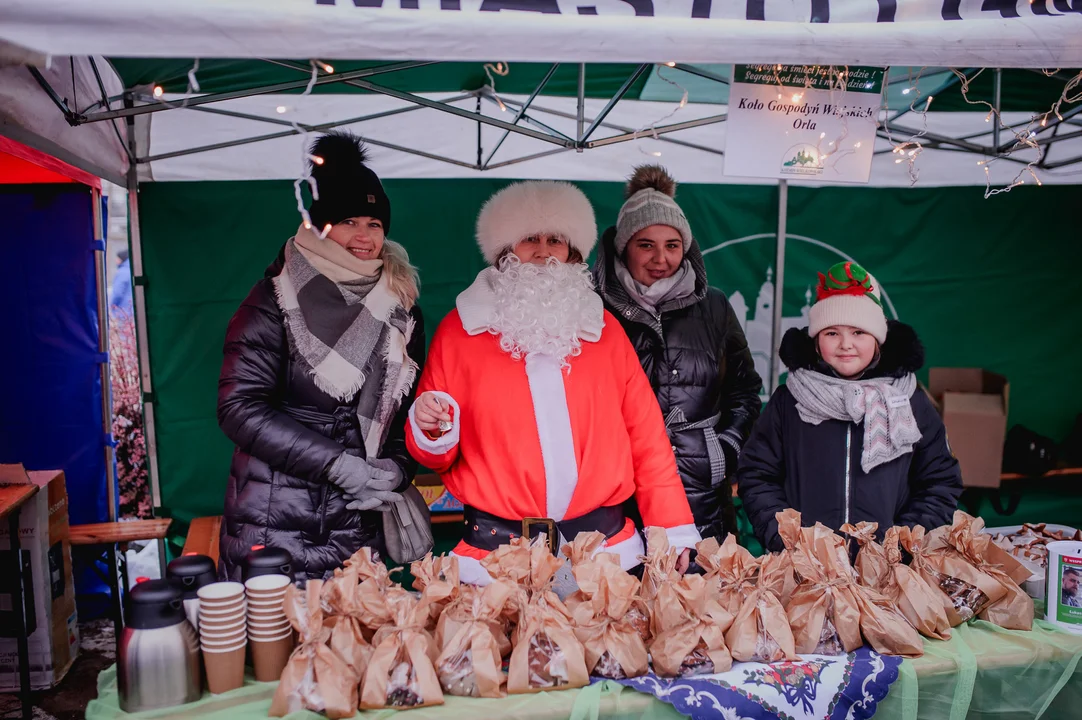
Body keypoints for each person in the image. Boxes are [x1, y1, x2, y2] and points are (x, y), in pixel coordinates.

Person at [405, 180, 700, 585]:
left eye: (556, 241)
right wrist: (431, 427)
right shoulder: (460, 332)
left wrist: (672, 527)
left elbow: (647, 440)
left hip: (603, 559)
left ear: (573, 253)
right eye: (530, 239)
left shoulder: (604, 331)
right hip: (495, 562)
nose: (543, 252)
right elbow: (435, 455)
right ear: (506, 250)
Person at [216, 132, 424, 580]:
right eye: (349, 221)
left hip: (358, 520)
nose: (364, 237)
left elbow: (407, 412)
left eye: (374, 223)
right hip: (276, 519)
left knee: (354, 643)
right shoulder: (275, 299)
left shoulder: (401, 305)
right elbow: (239, 408)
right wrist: (335, 463)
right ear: (320, 225)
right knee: (281, 646)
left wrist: (398, 468)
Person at [737, 261, 962, 552]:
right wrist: (787, 538)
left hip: (888, 571)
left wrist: (903, 545)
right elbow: (757, 475)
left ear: (878, 339)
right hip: (806, 569)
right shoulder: (789, 400)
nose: (846, 344)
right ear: (816, 342)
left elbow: (940, 481)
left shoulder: (908, 399)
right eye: (832, 333)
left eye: (859, 332)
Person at [593, 166, 762, 547]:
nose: (661, 258)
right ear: (623, 246)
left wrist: (725, 448)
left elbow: (745, 389)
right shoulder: (593, 309)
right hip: (617, 492)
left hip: (702, 495)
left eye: (672, 245)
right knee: (621, 600)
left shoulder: (715, 306)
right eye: (646, 244)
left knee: (702, 601)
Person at [109, 248, 133, 319]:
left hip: (122, 312)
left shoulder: (122, 272)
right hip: (131, 311)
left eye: (117, 258)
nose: (116, 261)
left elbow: (117, 293)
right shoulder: (131, 270)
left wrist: (112, 306)